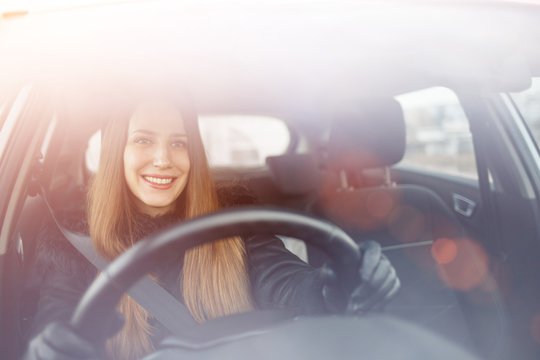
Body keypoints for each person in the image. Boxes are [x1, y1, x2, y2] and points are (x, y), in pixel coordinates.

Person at [23, 93, 400, 360]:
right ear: (115, 151)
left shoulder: (234, 220)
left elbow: (282, 278)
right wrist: (53, 351)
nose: (163, 159)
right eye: (142, 140)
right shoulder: (74, 241)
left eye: (179, 143)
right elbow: (59, 320)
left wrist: (331, 286)